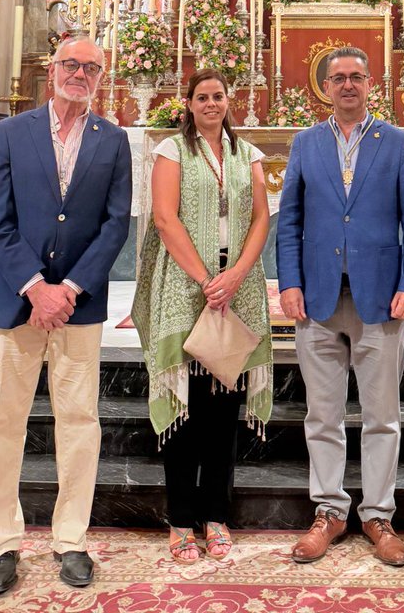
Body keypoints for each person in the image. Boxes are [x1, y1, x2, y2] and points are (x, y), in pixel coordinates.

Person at [0, 34, 132, 597]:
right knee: (6, 422)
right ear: (52, 71)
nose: (81, 73)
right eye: (72, 63)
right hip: (16, 303)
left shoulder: (112, 140)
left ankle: (71, 539)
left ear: (99, 77)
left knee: (78, 422)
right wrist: (35, 288)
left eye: (92, 67)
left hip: (79, 306)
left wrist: (67, 288)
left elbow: (116, 224)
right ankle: (0, 541)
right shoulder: (10, 132)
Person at [276, 47, 404, 567]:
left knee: (382, 415)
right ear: (325, 86)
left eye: (355, 77)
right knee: (322, 414)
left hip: (381, 296)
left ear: (369, 84)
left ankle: (379, 514)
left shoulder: (397, 142)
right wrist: (289, 282)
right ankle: (329, 511)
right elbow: (290, 218)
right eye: (337, 78)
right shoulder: (306, 142)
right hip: (318, 296)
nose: (346, 85)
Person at [132, 69, 272, 562]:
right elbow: (165, 218)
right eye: (202, 97)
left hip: (236, 286)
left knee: (222, 413)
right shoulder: (172, 150)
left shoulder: (248, 154)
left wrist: (234, 276)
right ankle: (179, 521)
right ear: (188, 104)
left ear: (229, 101)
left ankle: (216, 515)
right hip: (186, 286)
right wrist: (204, 280)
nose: (211, 104)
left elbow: (260, 218)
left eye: (218, 96)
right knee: (186, 412)